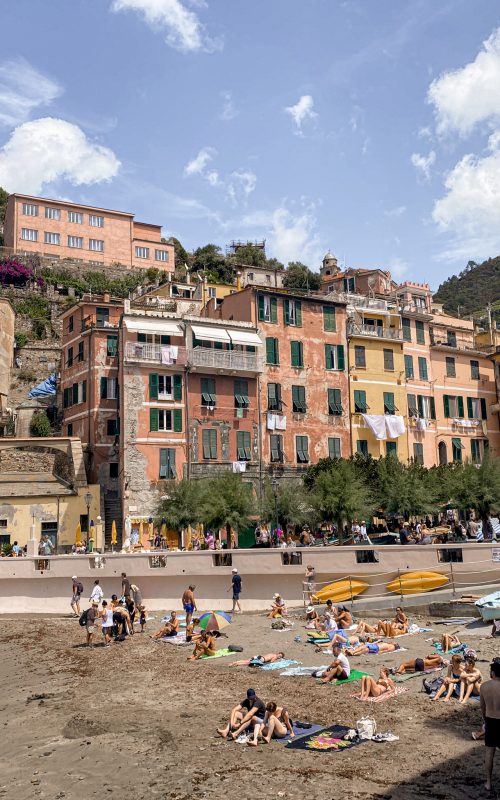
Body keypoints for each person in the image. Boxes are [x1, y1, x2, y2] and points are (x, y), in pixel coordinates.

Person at [481, 660, 500, 792]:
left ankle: (488, 782)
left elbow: (482, 707)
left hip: (490, 720)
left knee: (489, 752)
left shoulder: (484, 686)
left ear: (492, 673)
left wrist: (485, 721)